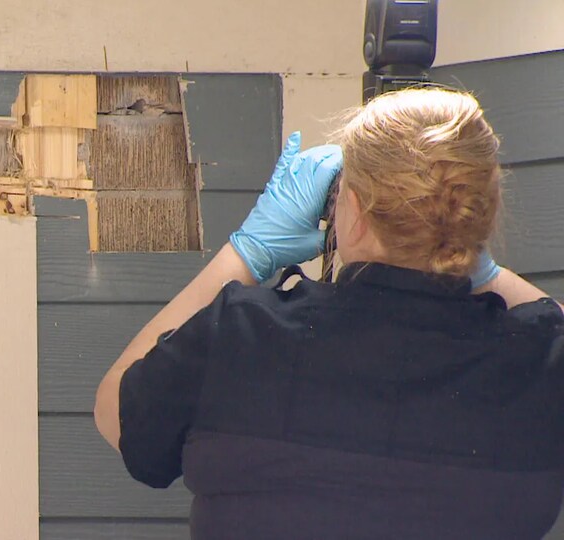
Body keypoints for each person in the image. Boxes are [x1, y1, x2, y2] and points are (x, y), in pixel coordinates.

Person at [94, 88, 564, 539]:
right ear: (482, 211)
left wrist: (246, 252)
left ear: (353, 210)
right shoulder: (536, 362)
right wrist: (474, 259)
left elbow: (118, 413)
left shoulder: (241, 336)